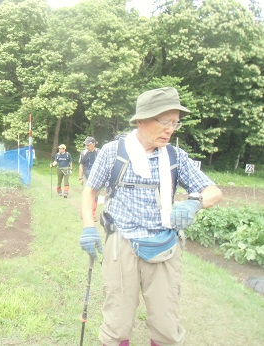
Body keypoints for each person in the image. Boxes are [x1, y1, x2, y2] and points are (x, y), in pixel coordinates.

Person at [79, 87, 222, 346]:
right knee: (117, 324)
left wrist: (195, 203)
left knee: (166, 327)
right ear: (142, 120)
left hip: (164, 246)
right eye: (165, 122)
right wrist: (89, 228)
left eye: (175, 123)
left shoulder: (175, 156)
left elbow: (214, 191)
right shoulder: (113, 152)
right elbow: (90, 191)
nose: (171, 129)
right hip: (121, 244)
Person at [79, 136, 100, 218]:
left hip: (96, 177)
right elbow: (81, 165)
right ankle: (84, 213)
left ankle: (92, 214)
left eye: (88, 145)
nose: (86, 146)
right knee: (86, 194)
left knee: (95, 196)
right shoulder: (83, 153)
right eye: (85, 145)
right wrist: (80, 177)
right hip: (86, 176)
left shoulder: (99, 152)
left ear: (93, 144)